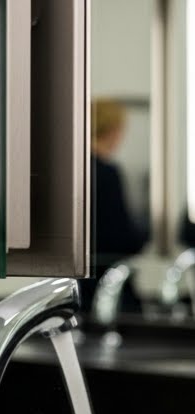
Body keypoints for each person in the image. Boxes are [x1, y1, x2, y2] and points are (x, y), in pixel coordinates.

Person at [84, 98, 148, 313]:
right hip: (107, 284)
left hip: (75, 287)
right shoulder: (107, 174)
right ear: (112, 130)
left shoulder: (71, 171)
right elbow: (119, 237)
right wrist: (146, 234)